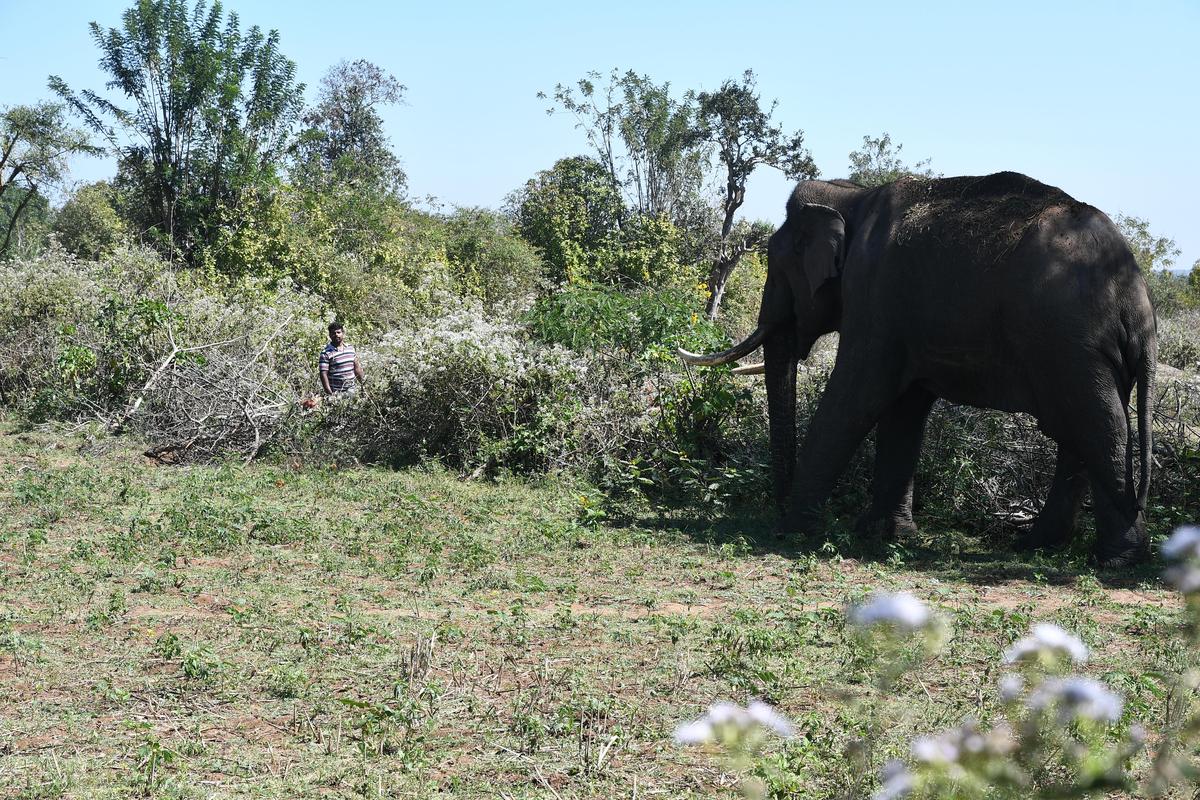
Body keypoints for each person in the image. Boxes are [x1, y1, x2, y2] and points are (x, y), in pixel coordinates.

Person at [318, 320, 364, 395]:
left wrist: (363, 385)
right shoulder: (325, 353)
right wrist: (330, 394)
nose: (336, 335)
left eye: (338, 332)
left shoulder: (350, 348)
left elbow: (357, 368)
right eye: (333, 333)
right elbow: (323, 375)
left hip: (352, 390)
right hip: (337, 393)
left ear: (343, 333)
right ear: (330, 335)